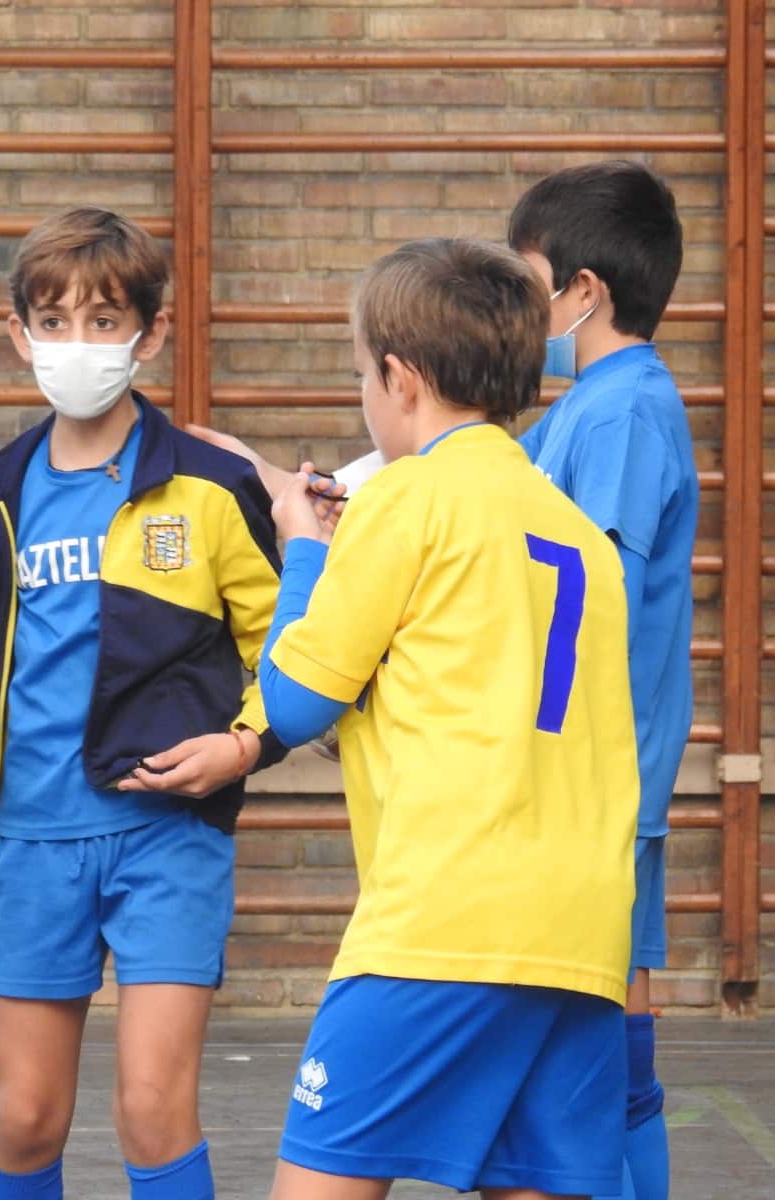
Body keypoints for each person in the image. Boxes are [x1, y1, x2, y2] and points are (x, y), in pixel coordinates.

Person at [0, 205, 287, 1199]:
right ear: (19, 334)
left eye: (102, 321)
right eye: (53, 322)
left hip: (167, 836)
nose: (76, 344)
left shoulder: (211, 490)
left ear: (148, 335)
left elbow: (286, 653)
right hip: (35, 840)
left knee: (151, 1108)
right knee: (26, 1117)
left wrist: (245, 747)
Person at [259, 238, 640, 1200]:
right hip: (580, 932)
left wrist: (305, 551)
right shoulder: (577, 534)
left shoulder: (409, 500)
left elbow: (299, 700)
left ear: (400, 379)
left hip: (444, 921)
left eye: (361, 377)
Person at [508, 160, 696, 1200]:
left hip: (599, 781)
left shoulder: (622, 413)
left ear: (581, 292)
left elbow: (599, 594)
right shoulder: (582, 410)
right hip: (585, 779)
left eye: (529, 274)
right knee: (608, 1041)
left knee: (593, 1056)